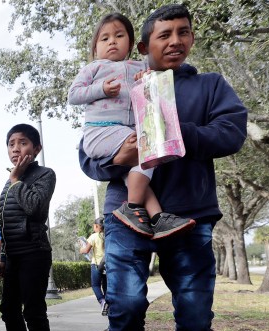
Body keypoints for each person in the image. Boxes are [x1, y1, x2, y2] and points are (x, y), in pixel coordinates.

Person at [79, 5, 247, 331]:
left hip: (190, 217)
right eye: (164, 34)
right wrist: (115, 157)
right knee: (128, 303)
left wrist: (171, 129)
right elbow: (88, 155)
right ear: (144, 45)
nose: (175, 41)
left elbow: (231, 132)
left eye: (183, 33)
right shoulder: (121, 84)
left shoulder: (208, 86)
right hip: (125, 214)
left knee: (194, 317)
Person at [68, 13, 194, 240]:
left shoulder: (141, 64)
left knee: (141, 165)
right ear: (95, 47)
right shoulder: (94, 69)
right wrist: (101, 90)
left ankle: (157, 217)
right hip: (100, 131)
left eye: (119, 35)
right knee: (145, 147)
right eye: (104, 38)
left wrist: (146, 77)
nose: (112, 41)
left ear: (132, 42)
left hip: (125, 133)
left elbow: (167, 70)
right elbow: (73, 95)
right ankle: (132, 206)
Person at [0, 124, 56, 331]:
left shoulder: (45, 175)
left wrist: (17, 179)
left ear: (36, 149)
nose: (16, 148)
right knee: (8, 310)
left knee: (33, 312)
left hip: (35, 252)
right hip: (15, 256)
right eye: (11, 143)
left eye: (23, 143)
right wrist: (3, 256)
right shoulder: (9, 182)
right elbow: (5, 223)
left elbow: (35, 208)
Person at [80, 217, 108, 315]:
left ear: (96, 226)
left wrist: (81, 249)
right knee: (106, 286)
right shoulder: (108, 235)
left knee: (95, 285)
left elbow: (86, 250)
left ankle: (102, 301)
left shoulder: (94, 236)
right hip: (108, 265)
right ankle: (108, 305)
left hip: (97, 265)